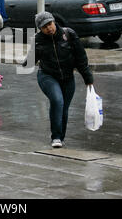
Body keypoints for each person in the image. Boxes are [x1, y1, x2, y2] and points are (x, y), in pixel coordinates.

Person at [23, 12, 93, 148]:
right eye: (44, 27)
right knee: (57, 100)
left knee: (64, 108)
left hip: (67, 78)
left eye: (50, 24)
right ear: (40, 29)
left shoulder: (68, 34)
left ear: (54, 22)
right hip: (47, 76)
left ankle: (61, 137)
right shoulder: (38, 39)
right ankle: (55, 136)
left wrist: (88, 78)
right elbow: (31, 60)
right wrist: (27, 61)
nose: (49, 28)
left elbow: (81, 58)